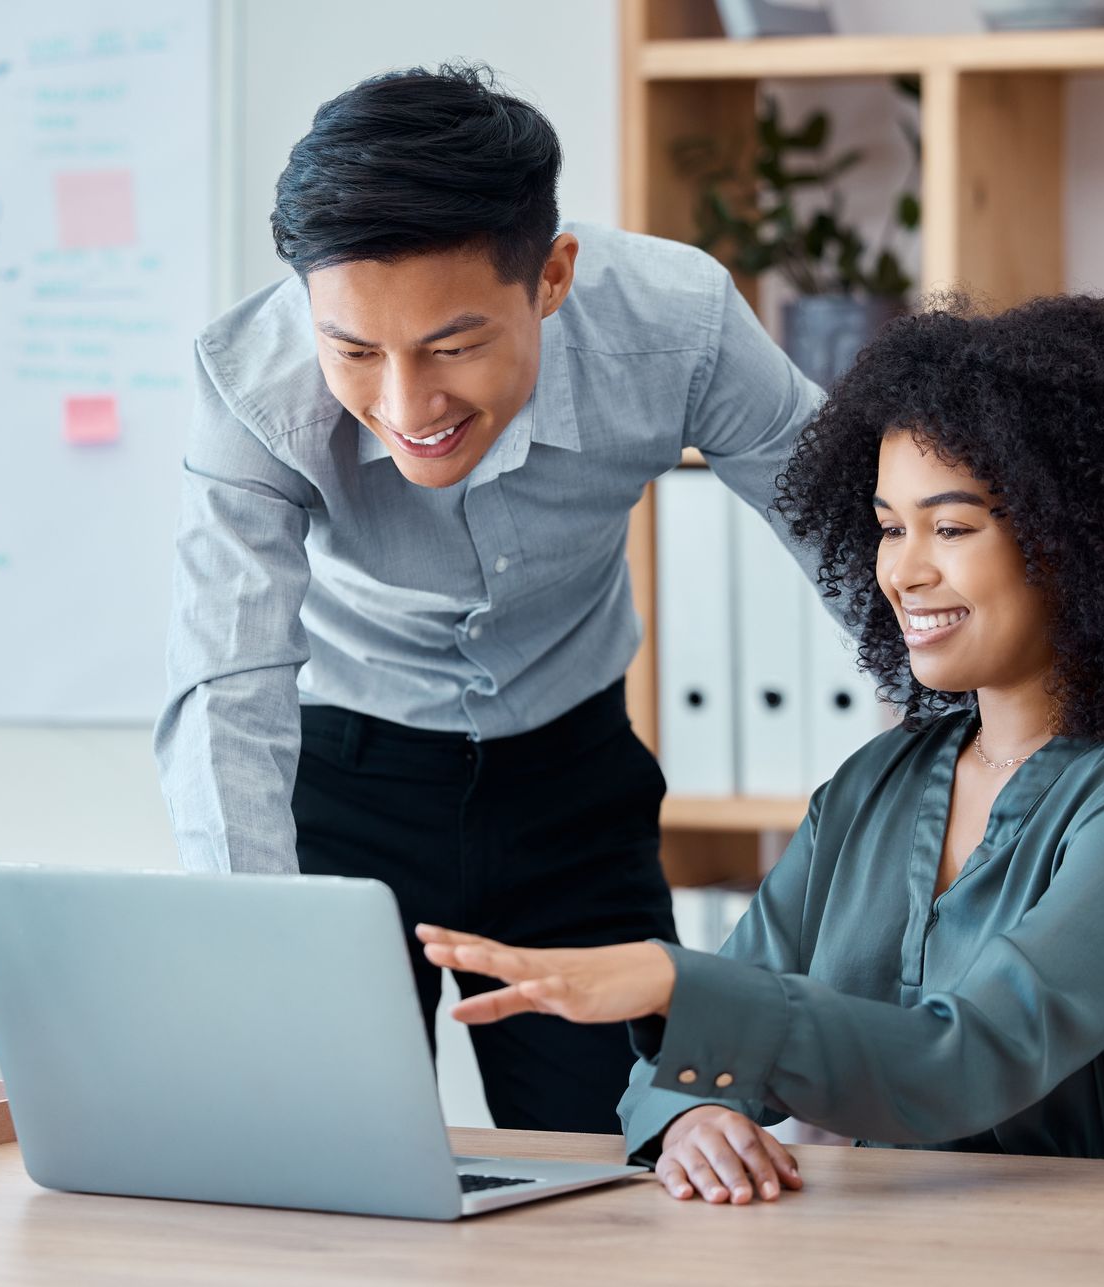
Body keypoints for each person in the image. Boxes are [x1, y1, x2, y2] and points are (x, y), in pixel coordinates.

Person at [418, 293, 1104, 1191]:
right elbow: (672, 1071)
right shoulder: (879, 783)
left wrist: (676, 987)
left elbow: (969, 1061)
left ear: (1088, 542)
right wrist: (697, 1115)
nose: (901, 571)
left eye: (950, 528)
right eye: (888, 526)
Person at [153, 63, 824, 1133]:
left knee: (620, 1160)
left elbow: (851, 533)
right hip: (341, 795)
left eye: (453, 346)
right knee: (326, 1158)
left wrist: (979, 760)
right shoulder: (249, 383)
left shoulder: (676, 323)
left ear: (551, 277)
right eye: (354, 349)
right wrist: (252, 951)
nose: (404, 403)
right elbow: (226, 680)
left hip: (571, 789)